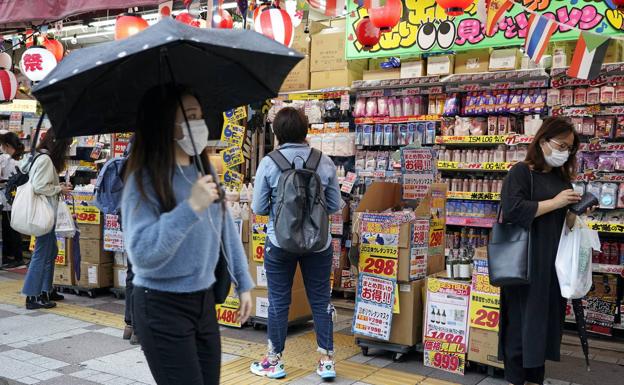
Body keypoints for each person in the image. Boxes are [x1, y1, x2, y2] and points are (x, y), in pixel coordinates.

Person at [121, 84, 253, 385]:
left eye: (201, 115)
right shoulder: (142, 179)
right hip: (160, 305)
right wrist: (191, 206)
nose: (200, 124)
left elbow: (225, 231)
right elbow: (142, 253)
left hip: (203, 301)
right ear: (165, 123)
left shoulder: (204, 169)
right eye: (190, 116)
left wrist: (243, 282)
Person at [250, 107, 341, 380]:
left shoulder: (269, 162)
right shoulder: (323, 161)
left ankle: (274, 361)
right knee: (321, 300)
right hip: (319, 244)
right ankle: (326, 360)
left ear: (277, 134)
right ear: (306, 131)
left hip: (280, 243)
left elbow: (258, 206)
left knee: (279, 301)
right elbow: (335, 205)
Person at [499, 117, 585, 385]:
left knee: (544, 325)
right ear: (544, 141)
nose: (565, 152)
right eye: (562, 145)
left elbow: (563, 223)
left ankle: (536, 377)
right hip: (524, 262)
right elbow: (512, 210)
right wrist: (555, 202)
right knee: (520, 325)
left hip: (552, 263)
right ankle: (516, 379)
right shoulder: (521, 173)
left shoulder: (561, 179)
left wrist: (575, 213)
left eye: (570, 148)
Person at [21, 129, 72, 309]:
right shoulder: (45, 160)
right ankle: (32, 296)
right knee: (42, 253)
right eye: (66, 146)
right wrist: (59, 189)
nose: (67, 151)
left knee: (50, 251)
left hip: (47, 213)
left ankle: (46, 290)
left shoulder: (41, 157)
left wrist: (57, 186)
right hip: (43, 214)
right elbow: (40, 186)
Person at [0, 132, 25, 268]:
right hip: (18, 198)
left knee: (9, 229)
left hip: (6, 198)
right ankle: (13, 257)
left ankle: (15, 258)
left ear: (7, 145)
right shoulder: (23, 159)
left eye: (2, 145)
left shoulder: (5, 159)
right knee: (13, 228)